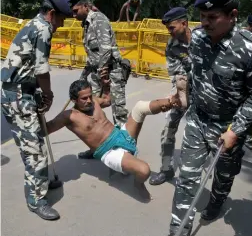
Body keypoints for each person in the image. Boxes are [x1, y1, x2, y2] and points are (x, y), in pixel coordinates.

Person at [168, 0, 252, 235]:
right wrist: (180, 93)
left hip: (229, 126)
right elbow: (195, 73)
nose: (205, 23)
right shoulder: (197, 38)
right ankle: (179, 227)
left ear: (232, 14)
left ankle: (217, 202)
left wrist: (237, 130)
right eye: (202, 16)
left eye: (212, 17)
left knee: (223, 176)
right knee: (187, 177)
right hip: (198, 119)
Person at [45, 76, 181, 201]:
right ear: (74, 100)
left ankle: (173, 101)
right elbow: (46, 129)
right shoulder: (68, 116)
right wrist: (38, 112)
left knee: (139, 107)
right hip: (109, 152)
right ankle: (137, 184)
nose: (88, 101)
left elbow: (107, 100)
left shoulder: (94, 101)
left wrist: (105, 86)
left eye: (89, 96)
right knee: (144, 171)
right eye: (84, 99)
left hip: (120, 135)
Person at [1, 0, 72, 220]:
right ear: (51, 14)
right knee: (34, 152)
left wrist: (37, 92)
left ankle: (38, 183)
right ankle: (36, 200)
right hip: (17, 96)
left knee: (37, 142)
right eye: (61, 20)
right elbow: (42, 69)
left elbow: (30, 66)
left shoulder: (35, 24)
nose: (61, 25)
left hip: (21, 91)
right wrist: (49, 94)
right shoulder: (42, 29)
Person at [67, 0, 129, 159]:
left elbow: (106, 49)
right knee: (90, 109)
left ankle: (125, 151)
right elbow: (92, 54)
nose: (73, 15)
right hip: (96, 73)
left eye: (75, 10)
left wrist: (103, 72)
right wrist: (83, 76)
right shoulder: (86, 24)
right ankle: (96, 146)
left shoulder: (99, 20)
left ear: (85, 6)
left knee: (119, 111)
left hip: (111, 72)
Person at [149, 7, 192, 186]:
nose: (169, 32)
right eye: (168, 29)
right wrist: (178, 95)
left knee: (200, 136)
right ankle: (166, 170)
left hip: (207, 95)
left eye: (172, 27)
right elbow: (175, 73)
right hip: (183, 91)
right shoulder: (171, 45)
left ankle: (193, 176)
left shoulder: (205, 39)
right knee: (167, 130)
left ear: (184, 23)